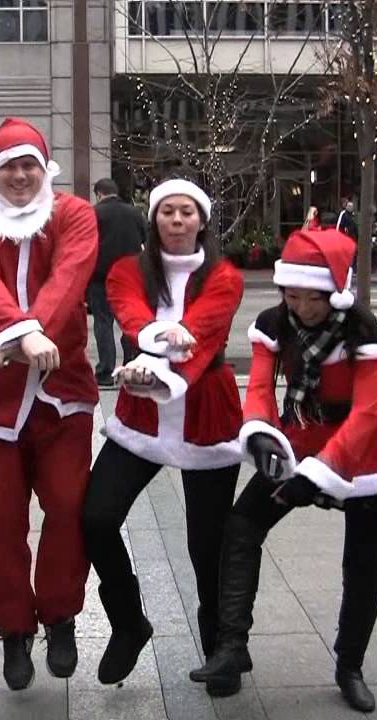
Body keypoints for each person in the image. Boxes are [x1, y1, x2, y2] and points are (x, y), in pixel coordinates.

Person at [190, 226, 377, 712]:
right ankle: (231, 648)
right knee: (242, 525)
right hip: (296, 436)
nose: (297, 306)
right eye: (289, 294)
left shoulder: (364, 332)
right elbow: (258, 388)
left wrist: (320, 473)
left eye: (308, 298)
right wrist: (261, 433)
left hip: (363, 452)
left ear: (334, 293)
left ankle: (349, 665)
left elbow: (367, 411)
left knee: (362, 563)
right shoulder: (276, 323)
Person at [0, 117, 99, 691]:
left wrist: (25, 334)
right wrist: (17, 334)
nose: (19, 175)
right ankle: (15, 630)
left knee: (67, 508)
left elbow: (69, 278)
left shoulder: (75, 215)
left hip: (64, 393)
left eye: (28, 164)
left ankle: (59, 614)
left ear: (45, 169)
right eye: (8, 166)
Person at [83, 178, 244, 684]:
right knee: (95, 516)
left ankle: (221, 651)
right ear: (153, 220)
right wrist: (153, 338)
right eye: (168, 212)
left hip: (207, 414)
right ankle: (129, 623)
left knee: (207, 546)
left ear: (202, 221)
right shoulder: (128, 269)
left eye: (187, 212)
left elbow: (203, 331)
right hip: (141, 414)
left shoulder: (225, 275)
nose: (177, 220)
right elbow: (129, 312)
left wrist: (165, 366)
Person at [89, 177, 145, 385]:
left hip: (100, 277)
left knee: (103, 323)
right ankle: (130, 363)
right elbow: (144, 241)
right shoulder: (134, 213)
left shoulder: (94, 214)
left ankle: (105, 371)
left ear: (99, 194)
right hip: (130, 278)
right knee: (129, 322)